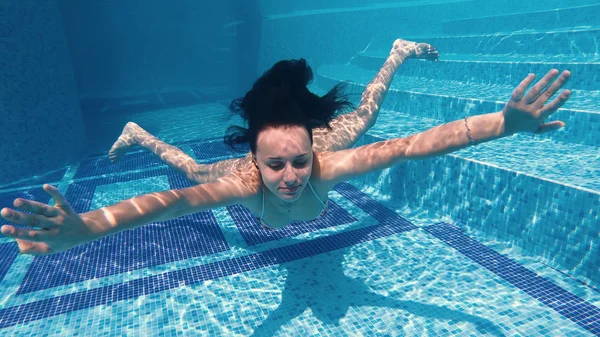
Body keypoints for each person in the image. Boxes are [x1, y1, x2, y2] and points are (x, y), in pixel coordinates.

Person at [0, 39, 570, 256]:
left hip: (323, 133)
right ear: (256, 163)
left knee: (367, 118)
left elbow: (414, 146)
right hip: (233, 165)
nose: (292, 175)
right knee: (193, 171)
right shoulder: (241, 181)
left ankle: (396, 51)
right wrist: (84, 230)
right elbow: (164, 205)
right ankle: (139, 134)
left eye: (299, 162)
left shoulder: (325, 162)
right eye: (276, 165)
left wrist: (504, 122)